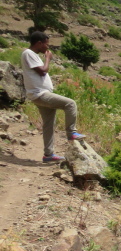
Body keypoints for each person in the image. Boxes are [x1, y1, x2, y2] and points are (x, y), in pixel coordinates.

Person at [20, 31, 85, 162]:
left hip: (40, 94)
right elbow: (43, 71)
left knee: (49, 124)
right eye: (46, 44)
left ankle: (48, 155)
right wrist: (48, 59)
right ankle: (71, 133)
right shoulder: (28, 53)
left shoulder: (33, 55)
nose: (47, 47)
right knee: (70, 104)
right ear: (39, 43)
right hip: (39, 94)